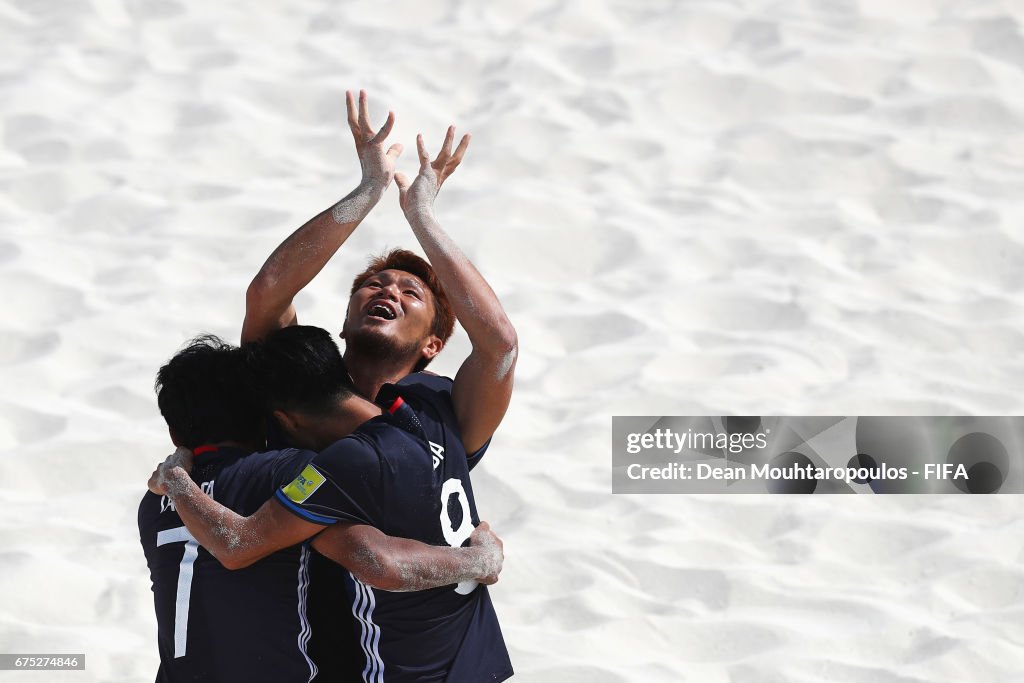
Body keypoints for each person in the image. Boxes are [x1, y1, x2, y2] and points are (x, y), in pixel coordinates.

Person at [152, 325, 513, 682]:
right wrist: (479, 560)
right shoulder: (288, 471)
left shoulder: (150, 505)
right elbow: (378, 562)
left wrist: (177, 480)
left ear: (173, 433)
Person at [241, 90, 518, 461]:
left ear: (432, 345)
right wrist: (369, 189)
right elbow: (268, 293)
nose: (388, 292)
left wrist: (422, 216)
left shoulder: (446, 407)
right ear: (343, 323)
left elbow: (500, 346)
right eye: (375, 284)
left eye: (411, 292)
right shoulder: (299, 375)